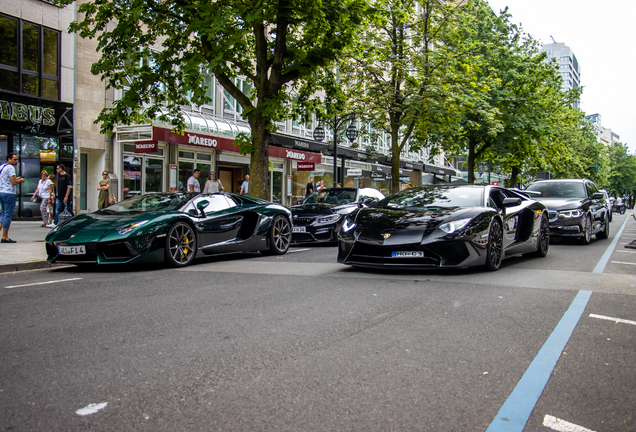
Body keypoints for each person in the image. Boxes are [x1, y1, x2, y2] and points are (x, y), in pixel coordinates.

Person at [0, 153, 25, 243]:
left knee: (3, 213)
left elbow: (7, 179)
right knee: (8, 215)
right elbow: (13, 182)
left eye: (17, 159)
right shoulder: (11, 168)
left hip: (2, 192)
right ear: (9, 159)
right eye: (15, 159)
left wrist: (16, 179)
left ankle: (3, 235)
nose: (17, 161)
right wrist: (20, 180)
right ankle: (4, 236)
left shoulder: (2, 167)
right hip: (9, 193)